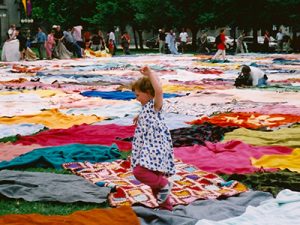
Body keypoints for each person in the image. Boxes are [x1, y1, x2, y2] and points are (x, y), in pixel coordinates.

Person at [131, 66, 175, 211]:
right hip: (149, 146)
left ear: (149, 93)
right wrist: (139, 116)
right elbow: (147, 114)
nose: (136, 99)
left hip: (155, 147)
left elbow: (159, 91)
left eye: (137, 95)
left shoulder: (155, 105)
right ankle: (166, 207)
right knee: (154, 181)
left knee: (140, 172)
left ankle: (164, 184)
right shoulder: (147, 107)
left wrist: (150, 74)